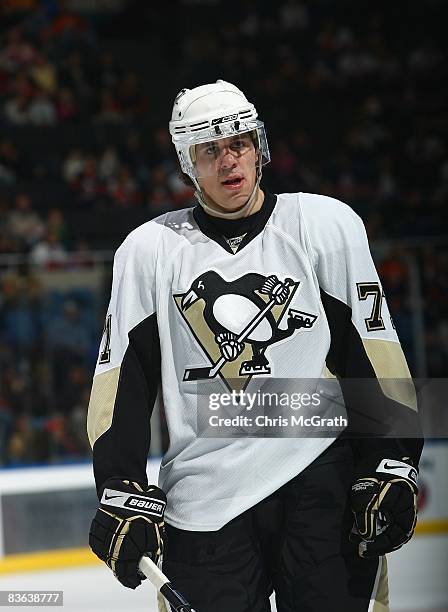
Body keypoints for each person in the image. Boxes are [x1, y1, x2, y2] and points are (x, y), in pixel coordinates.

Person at [88, 80, 423, 611]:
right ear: (186, 162)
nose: (228, 160)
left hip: (320, 484)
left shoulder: (324, 226)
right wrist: (120, 485)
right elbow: (122, 384)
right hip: (203, 502)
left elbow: (373, 353)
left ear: (260, 145)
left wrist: (392, 459)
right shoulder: (149, 251)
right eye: (210, 150)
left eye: (239, 142)